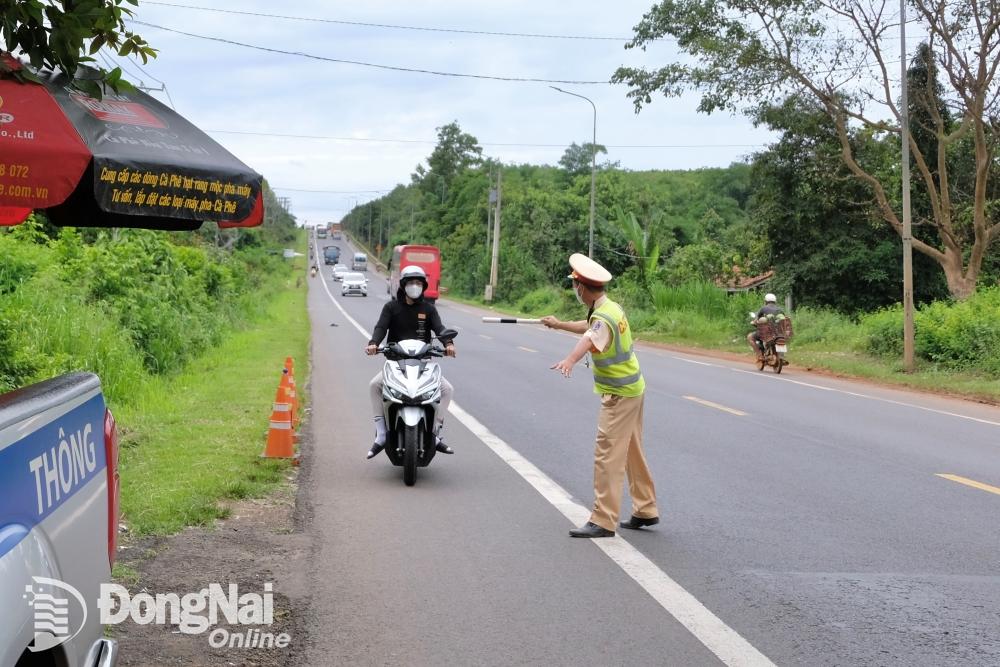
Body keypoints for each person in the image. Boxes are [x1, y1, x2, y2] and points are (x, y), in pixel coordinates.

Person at [541, 253, 659, 538]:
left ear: (581, 287)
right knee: (631, 449)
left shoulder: (602, 319)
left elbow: (590, 337)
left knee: (607, 455)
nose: (575, 290)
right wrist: (558, 325)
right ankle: (645, 508)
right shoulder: (610, 308)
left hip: (619, 395)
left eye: (574, 286)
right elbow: (588, 327)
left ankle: (603, 520)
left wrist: (569, 360)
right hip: (634, 390)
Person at [365, 265, 456, 460]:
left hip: (423, 365)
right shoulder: (391, 307)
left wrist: (448, 343)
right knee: (374, 386)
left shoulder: (429, 309)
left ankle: (435, 433)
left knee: (447, 389)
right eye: (411, 282)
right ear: (403, 285)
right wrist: (374, 343)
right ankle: (381, 434)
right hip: (395, 365)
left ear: (423, 286)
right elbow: (381, 327)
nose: (415, 286)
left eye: (418, 283)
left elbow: (440, 329)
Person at [746, 292, 783, 360]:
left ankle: (759, 355)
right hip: (779, 333)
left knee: (750, 337)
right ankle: (781, 356)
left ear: (766, 301)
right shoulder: (780, 310)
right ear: (775, 301)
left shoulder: (763, 308)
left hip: (766, 333)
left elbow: (757, 319)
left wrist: (754, 322)